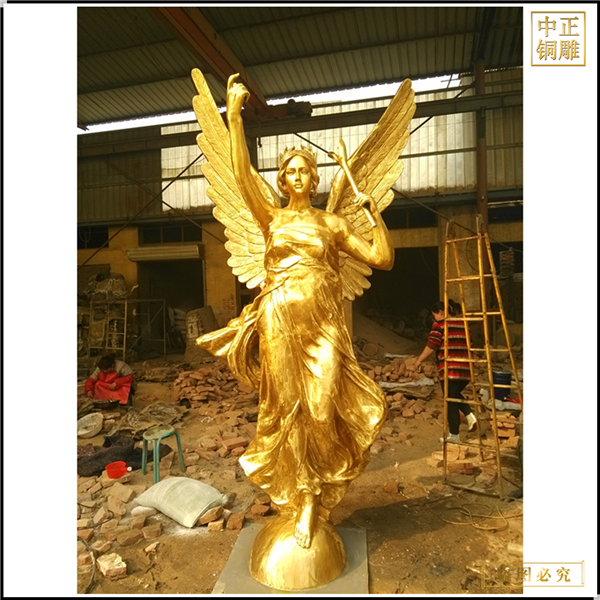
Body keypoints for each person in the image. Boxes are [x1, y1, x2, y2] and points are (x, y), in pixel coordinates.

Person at [198, 75, 394, 550]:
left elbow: (382, 259)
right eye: (291, 171)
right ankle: (304, 498)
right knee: (285, 411)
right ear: (283, 180)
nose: (299, 176)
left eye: (306, 170)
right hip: (279, 322)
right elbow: (242, 175)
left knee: (322, 411)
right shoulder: (272, 217)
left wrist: (374, 214)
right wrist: (234, 117)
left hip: (324, 329)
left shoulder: (333, 223)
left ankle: (320, 488)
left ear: (315, 178)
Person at [415, 299, 477, 442]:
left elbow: (432, 345)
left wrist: (419, 360)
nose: (434, 319)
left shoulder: (440, 325)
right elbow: (471, 345)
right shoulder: (464, 324)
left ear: (441, 312)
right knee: (454, 396)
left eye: (435, 315)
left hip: (450, 369)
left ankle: (456, 433)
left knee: (451, 401)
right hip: (466, 369)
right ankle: (468, 416)